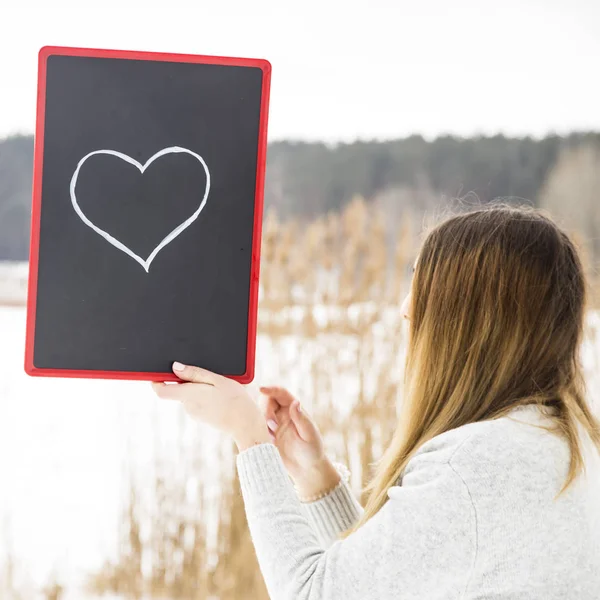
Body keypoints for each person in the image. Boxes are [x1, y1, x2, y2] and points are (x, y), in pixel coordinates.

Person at [152, 203, 600, 600]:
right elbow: (389, 583)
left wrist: (246, 433)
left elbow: (311, 594)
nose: (405, 307)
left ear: (468, 325)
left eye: (426, 291)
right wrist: (316, 478)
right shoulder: (557, 443)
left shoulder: (478, 467)